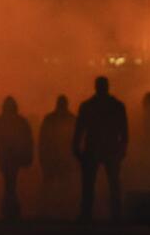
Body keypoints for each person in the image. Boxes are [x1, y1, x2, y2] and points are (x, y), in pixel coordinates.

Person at [73, 77, 128, 222]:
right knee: (113, 184)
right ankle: (115, 214)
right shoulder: (117, 106)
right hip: (110, 148)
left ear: (96, 87)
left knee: (89, 184)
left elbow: (80, 129)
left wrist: (76, 148)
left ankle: (87, 213)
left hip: (94, 148)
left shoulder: (87, 106)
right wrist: (122, 149)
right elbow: (124, 131)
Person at [0, 96, 33, 220]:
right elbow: (28, 139)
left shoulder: (0, 121)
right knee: (11, 182)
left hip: (5, 156)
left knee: (9, 182)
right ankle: (11, 208)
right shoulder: (20, 121)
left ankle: (8, 208)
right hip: (14, 156)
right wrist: (28, 156)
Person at [38, 95, 76, 217]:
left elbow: (42, 140)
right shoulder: (71, 119)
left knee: (51, 185)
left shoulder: (49, 119)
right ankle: (62, 210)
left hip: (54, 158)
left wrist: (42, 157)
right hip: (62, 158)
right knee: (63, 185)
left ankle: (47, 210)